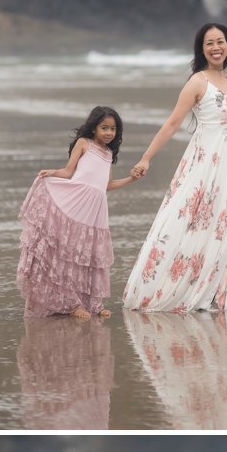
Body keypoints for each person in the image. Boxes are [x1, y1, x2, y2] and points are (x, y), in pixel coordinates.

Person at [122, 25, 227, 313]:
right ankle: (185, 286)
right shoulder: (197, 82)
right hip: (206, 162)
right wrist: (146, 157)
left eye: (220, 42)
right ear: (201, 49)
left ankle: (219, 288)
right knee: (197, 220)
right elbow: (172, 124)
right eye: (209, 43)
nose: (216, 47)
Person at [17, 107, 143, 318]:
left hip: (96, 208)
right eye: (104, 128)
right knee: (70, 253)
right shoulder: (84, 143)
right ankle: (72, 305)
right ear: (94, 127)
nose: (109, 132)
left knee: (90, 255)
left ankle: (93, 304)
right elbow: (68, 172)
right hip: (76, 202)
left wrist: (132, 179)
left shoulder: (109, 153)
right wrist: (51, 173)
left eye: (113, 129)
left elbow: (107, 185)